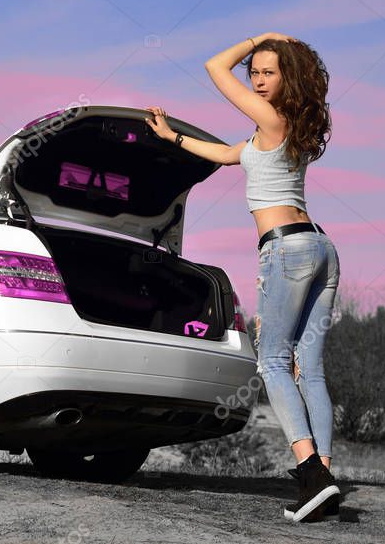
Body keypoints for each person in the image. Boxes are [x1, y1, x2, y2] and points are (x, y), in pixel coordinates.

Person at [143, 32, 341, 523]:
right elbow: (228, 155)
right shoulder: (277, 130)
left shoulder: (272, 120)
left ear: (287, 77)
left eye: (267, 71)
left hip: (286, 251)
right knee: (308, 368)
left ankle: (310, 473)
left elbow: (214, 66)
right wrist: (173, 139)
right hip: (320, 247)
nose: (256, 78)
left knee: (272, 361)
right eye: (254, 71)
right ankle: (324, 477)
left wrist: (260, 38)